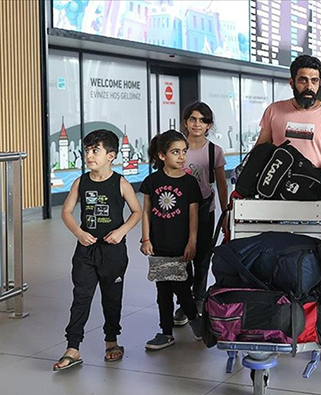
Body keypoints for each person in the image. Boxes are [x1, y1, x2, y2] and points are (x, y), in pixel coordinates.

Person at [54, 129, 142, 371]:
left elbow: (137, 211)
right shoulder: (81, 182)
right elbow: (66, 211)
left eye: (95, 151)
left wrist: (122, 231)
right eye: (87, 151)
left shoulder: (120, 183)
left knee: (112, 298)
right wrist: (79, 233)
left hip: (113, 252)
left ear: (111, 155)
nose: (89, 156)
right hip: (86, 251)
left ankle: (111, 340)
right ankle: (73, 347)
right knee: (81, 297)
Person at [140, 130, 204, 350]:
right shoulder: (152, 181)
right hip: (159, 245)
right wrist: (146, 239)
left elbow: (194, 216)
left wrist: (192, 242)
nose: (181, 156)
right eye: (175, 152)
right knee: (163, 291)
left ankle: (194, 318)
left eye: (184, 152)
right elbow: (146, 212)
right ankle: (166, 332)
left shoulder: (190, 183)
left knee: (183, 287)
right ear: (161, 155)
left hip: (181, 246)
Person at [255, 54, 321, 189]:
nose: (309, 87)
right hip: (276, 186)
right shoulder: (274, 110)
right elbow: (260, 148)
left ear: (319, 82)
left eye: (314, 81)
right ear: (291, 83)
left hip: (317, 186)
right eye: (303, 80)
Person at [172, 102, 229, 326]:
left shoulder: (215, 151)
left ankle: (199, 298)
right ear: (185, 122)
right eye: (193, 119)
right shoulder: (176, 148)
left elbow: (222, 184)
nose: (197, 124)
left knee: (203, 257)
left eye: (203, 120)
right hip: (179, 211)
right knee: (182, 257)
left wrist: (226, 213)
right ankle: (184, 303)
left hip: (205, 210)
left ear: (209, 125)